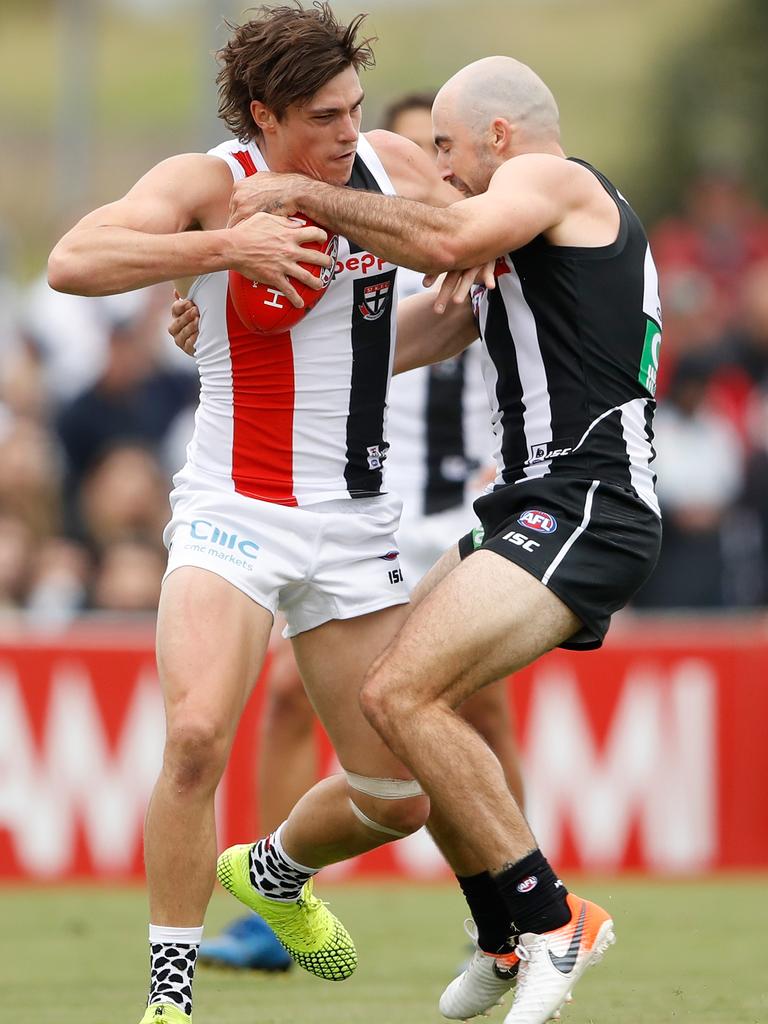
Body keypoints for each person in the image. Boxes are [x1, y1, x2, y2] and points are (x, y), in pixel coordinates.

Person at [47, 8, 501, 1024]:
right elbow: (72, 259)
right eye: (324, 115)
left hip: (355, 521)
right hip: (233, 507)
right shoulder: (211, 181)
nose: (351, 131)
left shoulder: (384, 165)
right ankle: (171, 992)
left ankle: (277, 869)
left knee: (400, 798)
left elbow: (470, 251)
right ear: (264, 114)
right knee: (198, 734)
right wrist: (219, 247)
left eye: (353, 107)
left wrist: (481, 289)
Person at [220, 54, 663, 1024]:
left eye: (448, 149)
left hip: (592, 497)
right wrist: (226, 333)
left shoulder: (552, 179)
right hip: (536, 503)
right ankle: (502, 936)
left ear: (501, 138)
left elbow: (451, 229)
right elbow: (392, 345)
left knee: (399, 690)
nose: (444, 169)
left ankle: (554, 920)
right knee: (393, 702)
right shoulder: (517, 248)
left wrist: (299, 191)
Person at [189, 89, 524, 974]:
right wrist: (202, 320)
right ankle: (274, 903)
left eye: (435, 152)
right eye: (417, 147)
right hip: (348, 499)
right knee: (304, 698)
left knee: (465, 702)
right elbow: (302, 347)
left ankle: (508, 897)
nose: (421, 165)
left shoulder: (449, 240)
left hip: (445, 501)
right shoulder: (337, 232)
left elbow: (473, 330)